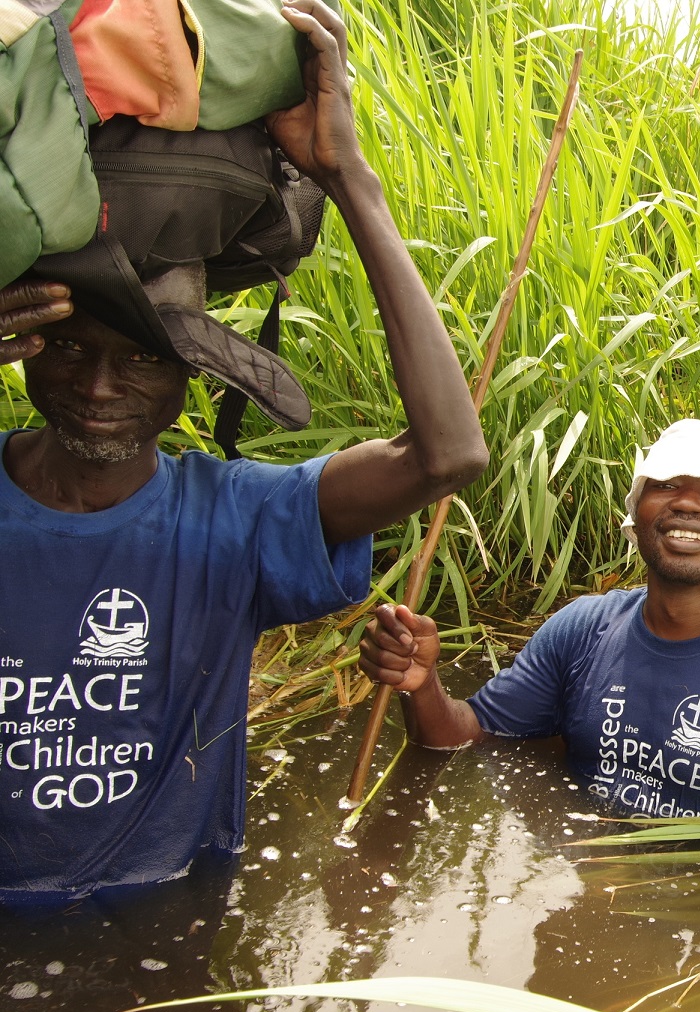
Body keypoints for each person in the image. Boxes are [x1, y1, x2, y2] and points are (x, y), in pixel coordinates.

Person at [0, 0, 489, 899]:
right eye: (71, 348)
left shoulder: (234, 516)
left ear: (194, 376)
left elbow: (446, 454)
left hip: (166, 937)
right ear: (26, 343)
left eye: (144, 360)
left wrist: (351, 181)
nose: (100, 388)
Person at [358, 419, 700, 1012]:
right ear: (638, 511)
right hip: (580, 887)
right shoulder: (581, 631)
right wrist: (421, 683)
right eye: (666, 484)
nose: (689, 503)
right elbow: (460, 736)